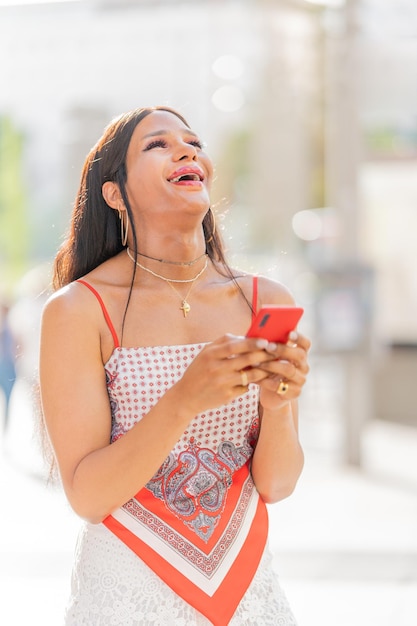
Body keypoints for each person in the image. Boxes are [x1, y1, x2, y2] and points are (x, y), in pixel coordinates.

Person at [39, 106, 311, 626]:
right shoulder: (79, 310)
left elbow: (276, 485)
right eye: (157, 145)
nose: (187, 151)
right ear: (114, 193)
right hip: (125, 593)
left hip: (247, 593)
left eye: (193, 142)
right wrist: (184, 400)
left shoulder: (264, 299)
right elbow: (89, 495)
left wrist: (277, 406)